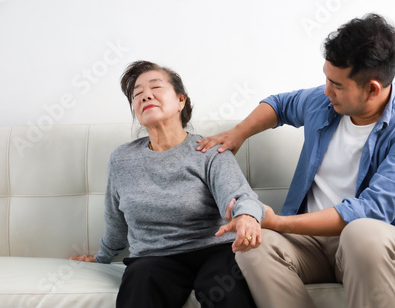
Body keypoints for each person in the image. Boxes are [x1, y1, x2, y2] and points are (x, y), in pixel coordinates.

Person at [197, 13, 395, 308]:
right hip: (312, 244)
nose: (326, 91)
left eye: (337, 85)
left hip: (375, 242)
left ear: (372, 89)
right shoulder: (324, 102)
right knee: (252, 246)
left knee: (360, 233)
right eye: (326, 79)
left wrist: (280, 221)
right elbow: (279, 104)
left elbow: (369, 211)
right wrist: (239, 133)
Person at [70, 60, 264, 308]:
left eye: (155, 88)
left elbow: (241, 196)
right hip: (154, 258)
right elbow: (116, 224)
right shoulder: (122, 159)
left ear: (181, 100)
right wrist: (102, 258)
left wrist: (247, 216)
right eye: (137, 94)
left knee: (223, 288)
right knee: (140, 283)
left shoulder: (209, 150)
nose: (145, 95)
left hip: (214, 251)